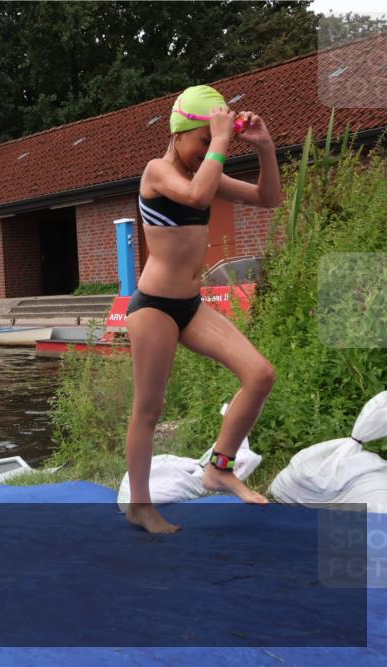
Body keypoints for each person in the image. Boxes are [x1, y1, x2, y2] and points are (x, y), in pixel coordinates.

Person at [124, 85, 282, 534]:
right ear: (180, 135)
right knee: (149, 409)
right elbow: (194, 196)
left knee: (260, 374)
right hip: (153, 307)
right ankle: (140, 505)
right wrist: (219, 140)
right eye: (201, 142)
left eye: (209, 145)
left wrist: (265, 146)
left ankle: (219, 467)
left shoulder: (204, 174)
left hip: (190, 306)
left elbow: (268, 199)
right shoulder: (157, 171)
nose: (205, 154)